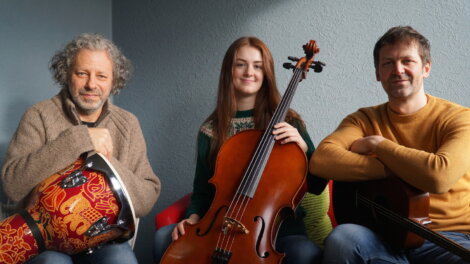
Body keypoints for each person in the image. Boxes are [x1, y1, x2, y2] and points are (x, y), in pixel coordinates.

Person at [153, 37, 331, 264]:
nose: (249, 72)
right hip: (220, 228)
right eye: (240, 64)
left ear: (266, 73)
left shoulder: (288, 123)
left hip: (276, 233)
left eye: (257, 66)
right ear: (229, 70)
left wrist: (303, 147)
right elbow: (202, 189)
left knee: (305, 253)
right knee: (162, 238)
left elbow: (316, 186)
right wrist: (192, 218)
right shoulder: (212, 130)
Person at [310, 26, 470, 264]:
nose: (398, 70)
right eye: (388, 63)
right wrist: (397, 171)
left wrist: (379, 144)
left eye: (408, 61)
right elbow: (321, 160)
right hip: (384, 238)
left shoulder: (459, 118)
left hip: (447, 241)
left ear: (426, 68)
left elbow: (439, 176)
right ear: (377, 73)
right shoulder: (363, 119)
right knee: (342, 238)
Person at [1, 33, 161, 264]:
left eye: (102, 76)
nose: (91, 84)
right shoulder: (38, 115)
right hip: (45, 241)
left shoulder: (128, 124)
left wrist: (104, 164)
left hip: (104, 243)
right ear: (67, 74)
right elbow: (12, 185)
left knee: (122, 261)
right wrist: (79, 140)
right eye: (82, 73)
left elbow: (147, 198)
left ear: (114, 81)